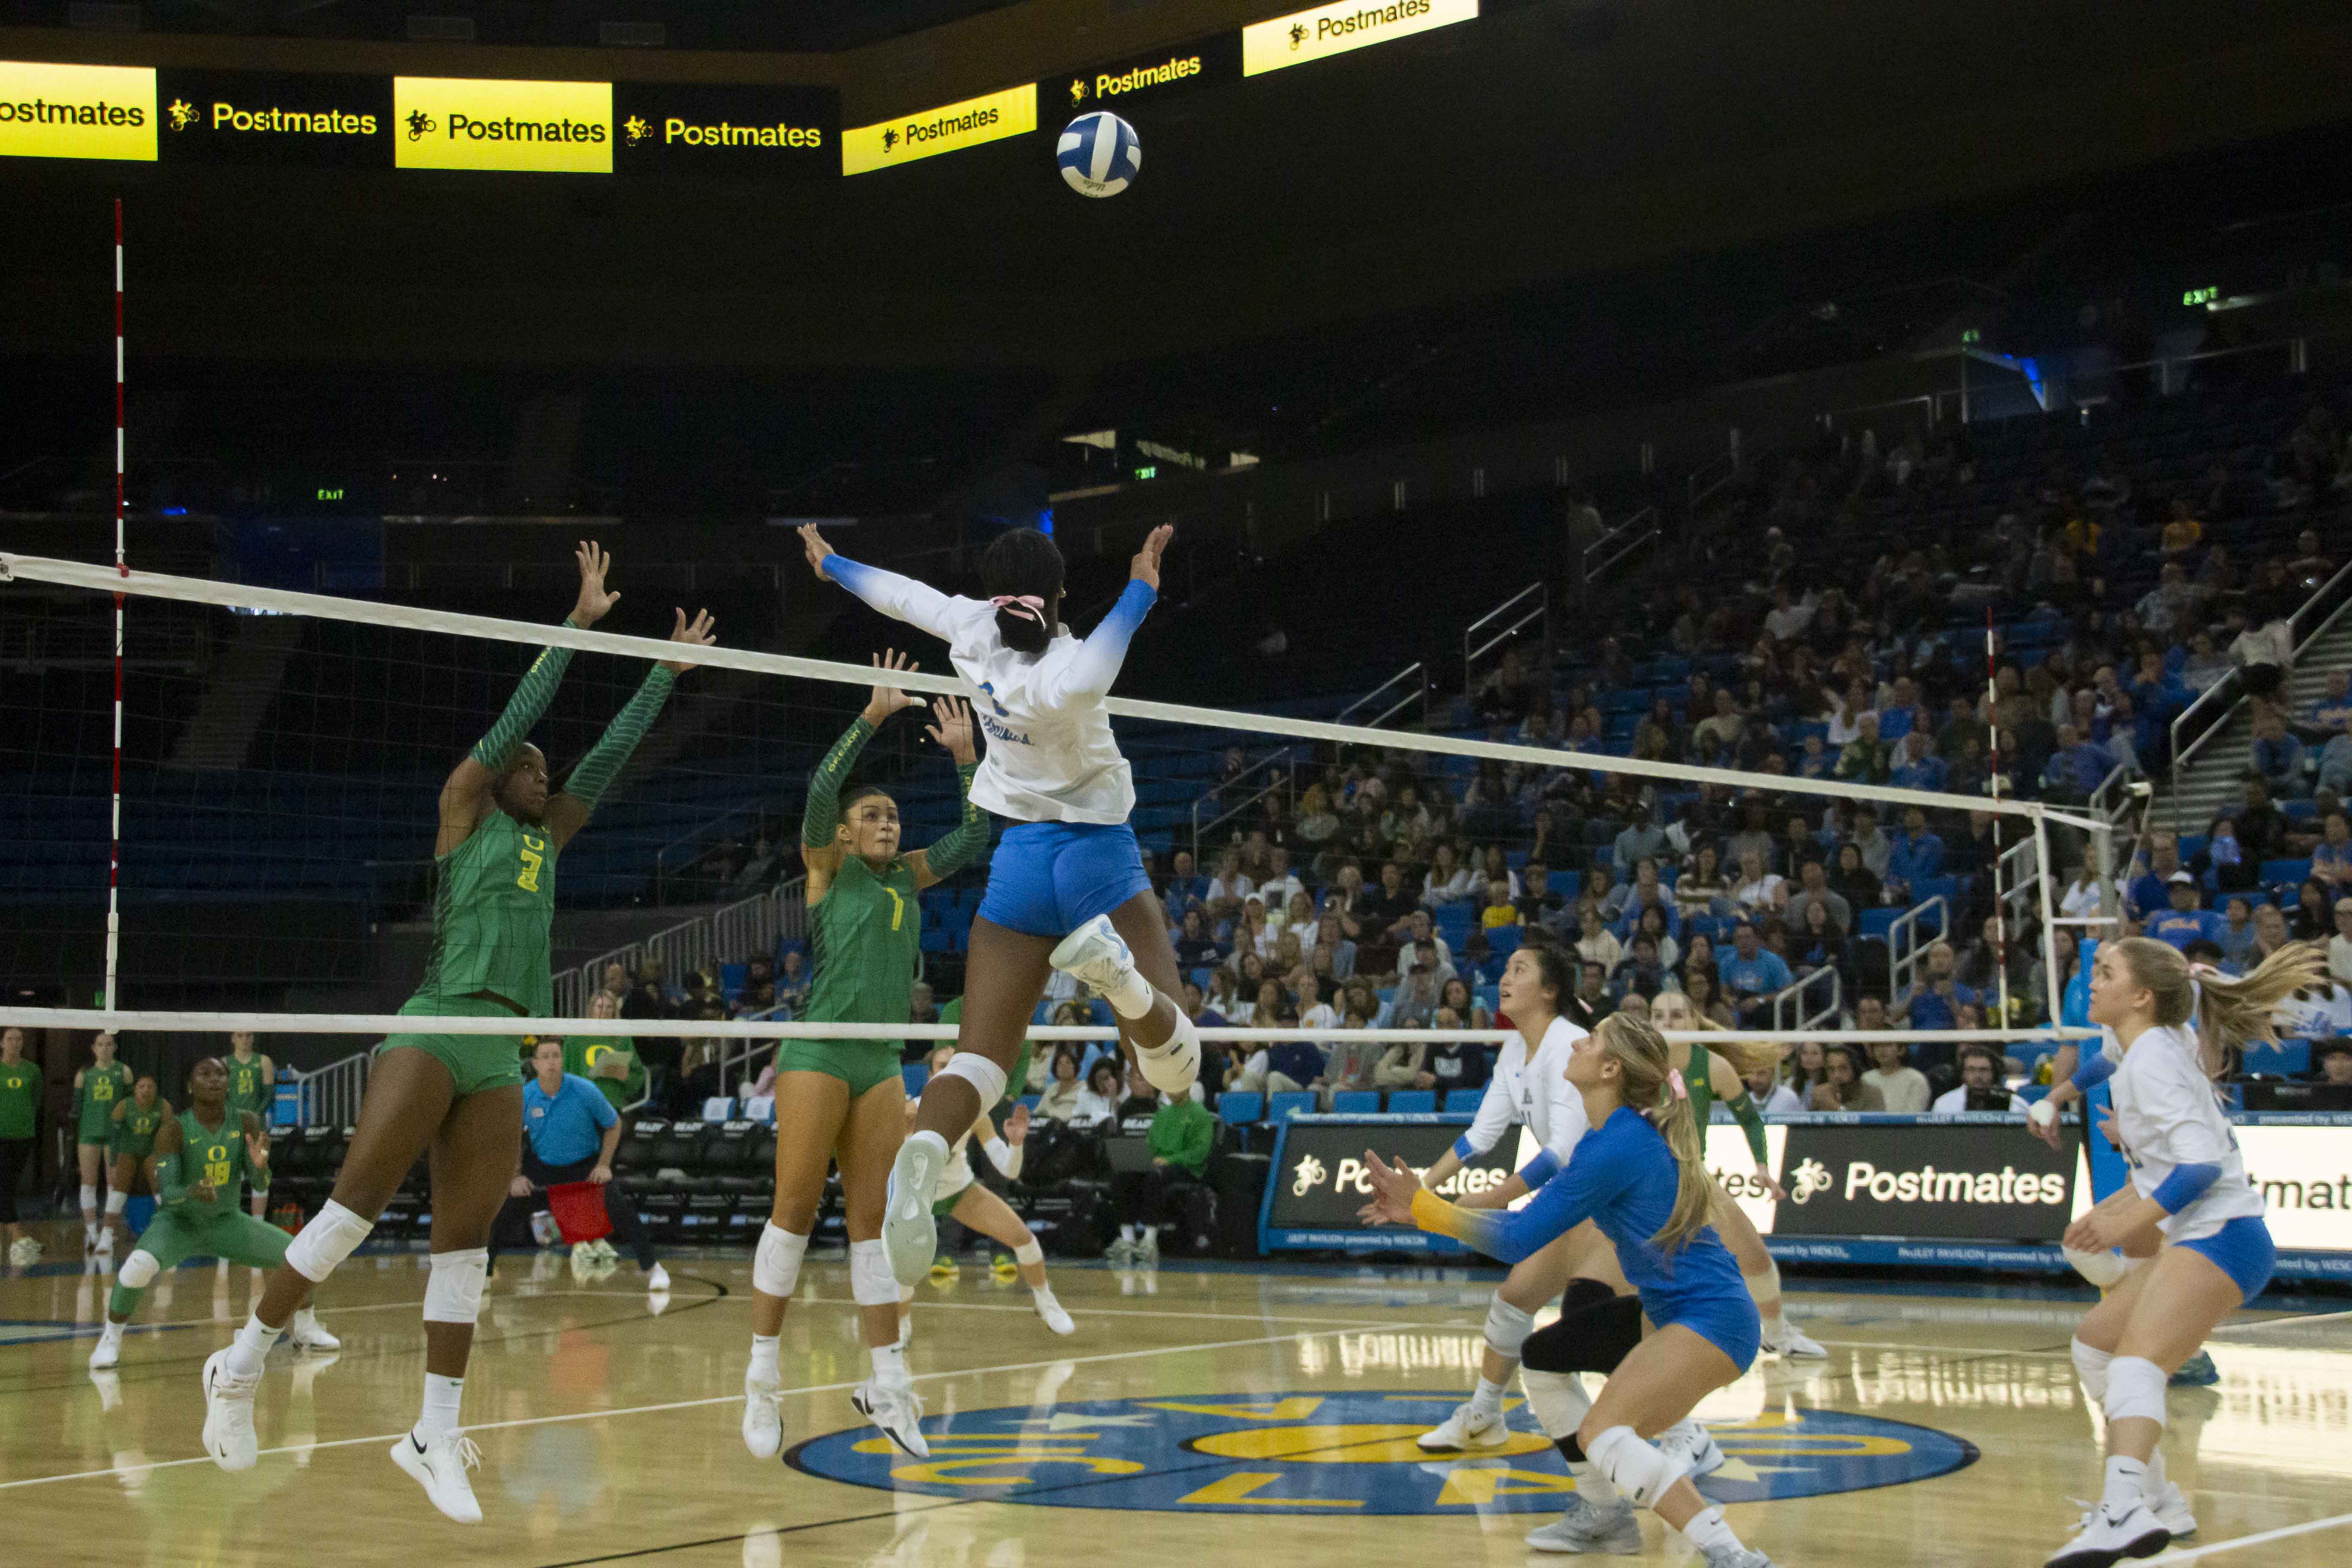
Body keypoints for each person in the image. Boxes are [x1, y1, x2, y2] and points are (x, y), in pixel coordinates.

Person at [198, 542, 712, 1525]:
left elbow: (600, 763)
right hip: (436, 1024)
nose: (541, 769)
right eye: (529, 765)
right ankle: (243, 1360)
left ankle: (433, 1430)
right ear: (496, 777)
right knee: (352, 1209)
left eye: (542, 770)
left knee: (464, 1244)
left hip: (504, 1050)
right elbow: (516, 723)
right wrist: (575, 627)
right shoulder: (463, 814)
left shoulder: (546, 836)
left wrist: (659, 678)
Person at [798, 522, 1204, 1287]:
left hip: (1017, 861)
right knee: (1177, 1067)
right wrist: (1142, 586)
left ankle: (923, 1154)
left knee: (981, 1058)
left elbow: (901, 596)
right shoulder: (1062, 669)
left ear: (993, 592)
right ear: (1057, 594)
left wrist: (835, 564)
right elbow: (1093, 671)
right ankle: (1116, 980)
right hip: (1096, 855)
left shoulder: (971, 630)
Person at [1359, 1012, 1775, 1568]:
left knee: (1603, 1434)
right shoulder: (1609, 1139)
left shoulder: (1618, 1145)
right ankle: (1612, 1511)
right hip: (1679, 1315)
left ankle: (1733, 1555)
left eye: (1594, 1038)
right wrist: (1424, 1214)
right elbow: (1523, 1228)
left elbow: (1519, 1239)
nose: (1578, 1041)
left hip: (1710, 1319)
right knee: (1548, 1362)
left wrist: (1426, 1207)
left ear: (1609, 1069)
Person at [741, 655, 984, 1463]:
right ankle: (762, 1374)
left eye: (892, 816)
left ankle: (887, 1383)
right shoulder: (829, 869)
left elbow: (977, 833)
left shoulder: (909, 881)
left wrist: (963, 759)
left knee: (874, 1227)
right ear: (845, 834)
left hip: (880, 1061)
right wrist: (870, 718)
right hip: (818, 1050)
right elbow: (819, 791)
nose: (888, 823)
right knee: (795, 1212)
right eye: (873, 815)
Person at [2029, 936, 2327, 1567]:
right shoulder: (2143, 1044)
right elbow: (2102, 1064)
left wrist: (2127, 1221)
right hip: (2207, 1233)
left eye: (2104, 974)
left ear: (2140, 996)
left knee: (2137, 1365)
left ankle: (2122, 1508)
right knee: (2097, 1347)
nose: (2093, 984)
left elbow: (2199, 1167)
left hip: (2224, 1234)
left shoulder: (2154, 1061)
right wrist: (2059, 1098)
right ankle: (2159, 1502)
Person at [1404, 943, 1608, 1454]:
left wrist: (1483, 1202)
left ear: (1549, 990)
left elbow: (1560, 1153)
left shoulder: (1571, 1043)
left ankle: (1677, 1436)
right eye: (1506, 967)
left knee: (1611, 1328)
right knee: (1514, 1302)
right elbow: (1480, 1136)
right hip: (1578, 1199)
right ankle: (1485, 1416)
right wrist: (1422, 1191)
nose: (1505, 977)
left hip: (1613, 1199)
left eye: (1521, 969)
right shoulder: (1515, 1049)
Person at [92, 1057, 340, 1372]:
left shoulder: (247, 1122)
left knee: (302, 1255)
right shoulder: (173, 1130)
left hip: (225, 1221)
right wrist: (191, 1191)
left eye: (221, 1074)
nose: (215, 1080)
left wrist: (262, 1167)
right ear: (190, 1086)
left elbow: (260, 1182)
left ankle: (306, 1327)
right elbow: (168, 1195)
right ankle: (110, 1339)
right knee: (137, 1267)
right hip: (179, 1224)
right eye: (205, 1074)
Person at [1649, 990, 1823, 1366]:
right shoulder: (1637, 1066)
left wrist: (1761, 1166)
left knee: (1755, 1257)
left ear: (1695, 1023)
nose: (1668, 1024)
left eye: (1678, 1015)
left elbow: (1750, 1119)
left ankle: (1777, 1335)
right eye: (1659, 1016)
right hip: (1642, 1181)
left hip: (1693, 1176)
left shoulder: (1712, 1066)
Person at [897, 1046, 1074, 1336]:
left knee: (1023, 1238)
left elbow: (1009, 1170)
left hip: (958, 1191)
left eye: (954, 1066)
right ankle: (902, 1327)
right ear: (930, 1074)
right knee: (903, 1266)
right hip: (914, 1197)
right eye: (941, 1066)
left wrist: (1016, 1143)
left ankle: (1046, 1302)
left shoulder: (976, 1115)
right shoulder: (908, 1113)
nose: (948, 1072)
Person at [490, 1038, 667, 1289]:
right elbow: (511, 1136)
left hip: (585, 1166)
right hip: (544, 1167)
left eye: (556, 1056)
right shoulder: (526, 1095)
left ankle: (653, 1269)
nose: (552, 1062)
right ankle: (484, 1274)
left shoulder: (585, 1090)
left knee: (619, 1207)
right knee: (506, 1210)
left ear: (563, 1060)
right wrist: (516, 1176)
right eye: (546, 1057)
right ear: (535, 1064)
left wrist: (604, 1165)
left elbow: (614, 1125)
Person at [1111, 1082, 1214, 1262]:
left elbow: (1200, 1152)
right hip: (1159, 1164)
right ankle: (1128, 1240)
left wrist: (1170, 1160)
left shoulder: (1200, 1114)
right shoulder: (1163, 1113)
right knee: (1123, 1174)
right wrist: (1141, 1159)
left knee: (1155, 1177)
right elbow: (1151, 1144)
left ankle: (1150, 1241)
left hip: (1187, 1168)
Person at [74, 1031, 134, 1251]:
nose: (105, 1048)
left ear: (115, 1047)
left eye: (109, 1044)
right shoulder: (84, 1073)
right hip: (89, 1133)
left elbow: (130, 1105)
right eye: (101, 1044)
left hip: (115, 1135)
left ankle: (108, 1232)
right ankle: (91, 1232)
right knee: (88, 1182)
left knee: (114, 1183)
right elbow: (76, 1107)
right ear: (94, 1048)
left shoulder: (124, 1071)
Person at [0, 1027, 44, 1265]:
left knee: (10, 1184)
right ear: (2, 1043)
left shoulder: (32, 1070)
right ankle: (17, 1235)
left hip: (23, 1135)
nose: (15, 1043)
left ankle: (15, 1235)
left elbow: (36, 1099)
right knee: (4, 1183)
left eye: (19, 1039)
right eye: (10, 1039)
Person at [106, 1073, 170, 1231]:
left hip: (151, 1152)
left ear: (156, 1090)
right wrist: (113, 1163)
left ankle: (168, 1229)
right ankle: (107, 1235)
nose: (146, 1090)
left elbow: (169, 1137)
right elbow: (114, 1137)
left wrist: (167, 1162)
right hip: (128, 1151)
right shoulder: (124, 1106)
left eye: (150, 1087)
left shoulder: (163, 1106)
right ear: (135, 1090)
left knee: (160, 1186)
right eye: (142, 1087)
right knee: (120, 1189)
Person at [563, 992, 645, 1115]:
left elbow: (637, 1077)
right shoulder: (575, 1038)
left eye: (609, 1007)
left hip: (612, 1104)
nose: (604, 1012)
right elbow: (563, 1074)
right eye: (600, 1007)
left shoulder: (623, 1038)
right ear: (591, 1010)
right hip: (582, 1104)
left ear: (614, 1011)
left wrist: (625, 1076)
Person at [224, 1034, 276, 1220]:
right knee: (229, 1173)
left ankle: (258, 1224)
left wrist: (255, 1114)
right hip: (231, 1125)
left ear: (253, 1038)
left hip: (257, 1127)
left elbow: (269, 1095)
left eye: (249, 1035)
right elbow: (222, 1097)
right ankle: (230, 1221)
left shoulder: (263, 1061)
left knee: (259, 1171)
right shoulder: (225, 1063)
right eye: (240, 1035)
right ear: (233, 1039)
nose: (245, 1039)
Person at [1932, 1045, 2025, 1113]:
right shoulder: (1944, 1105)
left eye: (1984, 1070)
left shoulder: (2015, 1105)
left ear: (1995, 1074)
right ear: (1962, 1074)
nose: (1978, 1076)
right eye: (1971, 1070)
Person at [1860, 1039, 1931, 1113]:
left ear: (1901, 1050)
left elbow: (1913, 1115)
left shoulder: (1916, 1079)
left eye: (1888, 1045)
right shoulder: (1865, 1079)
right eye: (1877, 1046)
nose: (1882, 1050)